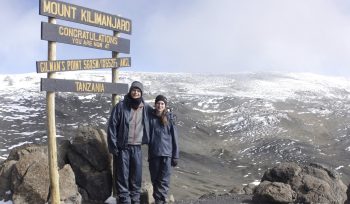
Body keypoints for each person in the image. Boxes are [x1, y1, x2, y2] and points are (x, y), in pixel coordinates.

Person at [107, 81, 152, 204]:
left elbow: (157, 115)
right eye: (134, 90)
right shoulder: (121, 106)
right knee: (122, 177)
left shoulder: (145, 107)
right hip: (123, 148)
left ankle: (135, 201)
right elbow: (112, 126)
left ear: (141, 93)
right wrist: (113, 146)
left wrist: (168, 115)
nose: (136, 92)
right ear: (130, 91)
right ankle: (124, 201)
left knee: (136, 177)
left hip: (137, 147)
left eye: (138, 91)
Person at [148, 95, 179, 204]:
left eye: (162, 104)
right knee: (155, 181)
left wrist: (175, 155)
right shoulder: (150, 118)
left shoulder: (170, 118)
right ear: (155, 104)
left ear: (165, 106)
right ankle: (158, 200)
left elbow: (175, 138)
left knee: (164, 181)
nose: (160, 105)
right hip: (154, 154)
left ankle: (161, 201)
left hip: (166, 155)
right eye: (158, 103)